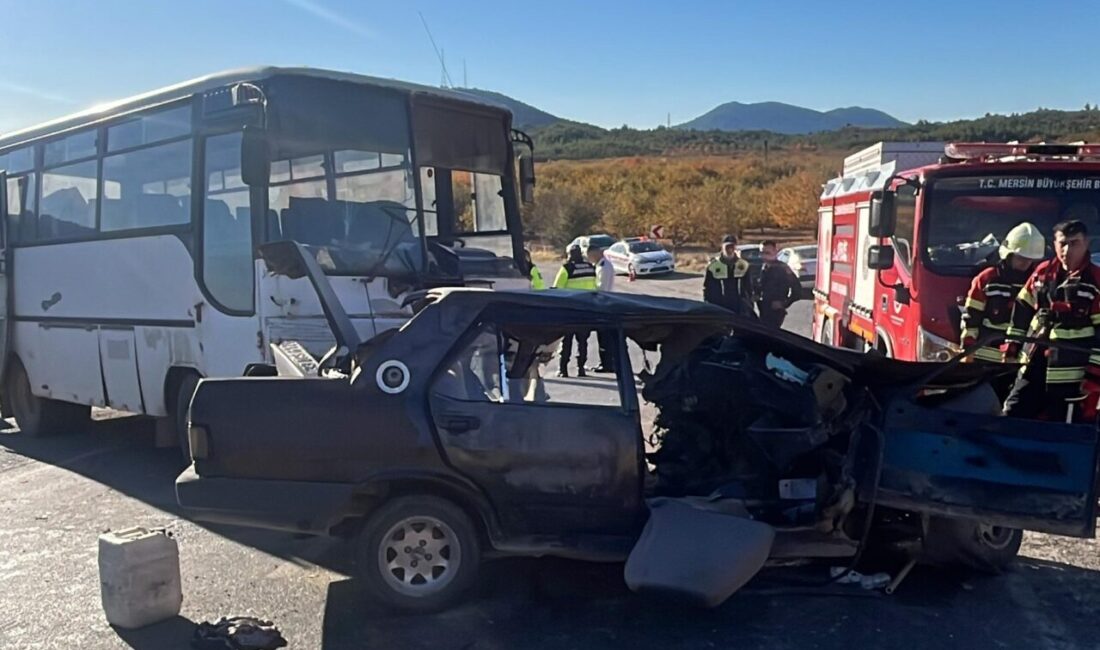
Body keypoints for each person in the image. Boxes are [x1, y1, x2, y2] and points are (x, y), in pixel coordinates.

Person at [1002, 220, 1100, 422]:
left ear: (1086, 244)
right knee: (1011, 416)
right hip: (1033, 366)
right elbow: (1022, 307)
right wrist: (1012, 346)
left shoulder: (1095, 281)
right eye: (1062, 243)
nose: (1066, 250)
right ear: (1054, 244)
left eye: (1074, 243)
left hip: (1072, 378)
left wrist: (1093, 377)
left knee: (1063, 432)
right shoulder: (1042, 273)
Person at [959, 222, 1045, 369]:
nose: (1026, 263)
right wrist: (968, 350)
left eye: (1030, 259)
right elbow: (971, 318)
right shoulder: (987, 279)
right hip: (982, 359)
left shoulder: (1036, 283)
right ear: (1009, 254)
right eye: (1021, 258)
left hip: (1018, 360)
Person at [552, 244, 597, 377]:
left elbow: (557, 288)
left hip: (569, 310)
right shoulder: (590, 267)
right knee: (583, 341)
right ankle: (581, 368)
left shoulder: (567, 268)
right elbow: (595, 286)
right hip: (586, 310)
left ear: (569, 254)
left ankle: (563, 369)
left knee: (567, 341)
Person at [703, 234, 754, 316]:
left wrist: (749, 304)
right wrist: (708, 305)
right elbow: (707, 288)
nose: (730, 249)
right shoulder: (713, 266)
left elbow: (749, 288)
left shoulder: (743, 265)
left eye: (732, 246)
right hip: (719, 307)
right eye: (727, 246)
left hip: (740, 308)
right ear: (722, 247)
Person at [755, 240, 802, 329]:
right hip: (764, 308)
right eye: (762, 253)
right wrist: (756, 295)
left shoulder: (783, 268)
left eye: (767, 253)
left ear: (775, 252)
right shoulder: (764, 268)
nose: (764, 255)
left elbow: (797, 291)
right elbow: (761, 286)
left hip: (776, 311)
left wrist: (784, 303)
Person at [588, 242, 616, 373]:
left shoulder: (604, 267)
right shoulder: (602, 265)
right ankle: (606, 362)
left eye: (590, 256)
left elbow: (602, 287)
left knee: (604, 337)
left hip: (603, 303)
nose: (590, 259)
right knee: (604, 337)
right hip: (606, 302)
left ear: (596, 253)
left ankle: (606, 364)